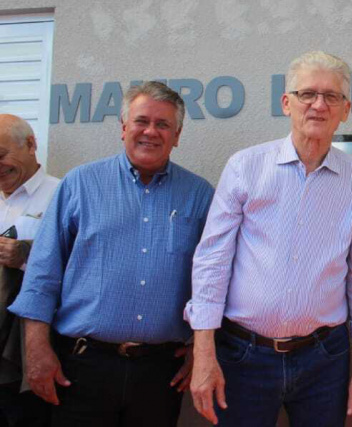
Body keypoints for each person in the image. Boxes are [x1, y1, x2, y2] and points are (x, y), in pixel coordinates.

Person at [186, 51, 352, 427]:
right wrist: (203, 351)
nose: (318, 105)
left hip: (324, 360)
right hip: (243, 356)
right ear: (286, 102)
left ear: (345, 110)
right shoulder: (245, 167)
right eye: (307, 93)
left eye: (331, 96)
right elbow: (212, 260)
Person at [8, 81, 214, 427]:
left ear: (177, 135)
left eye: (163, 124)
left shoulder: (200, 195)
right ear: (123, 127)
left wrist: (202, 348)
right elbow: (42, 274)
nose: (151, 131)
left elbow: (212, 280)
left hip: (161, 372)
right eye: (141, 121)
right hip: (82, 367)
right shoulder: (79, 184)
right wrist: (37, 349)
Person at [0, 115, 60, 427]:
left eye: (1, 155)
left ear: (31, 144)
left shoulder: (61, 194)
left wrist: (25, 254)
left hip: (25, 352)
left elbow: (79, 261)